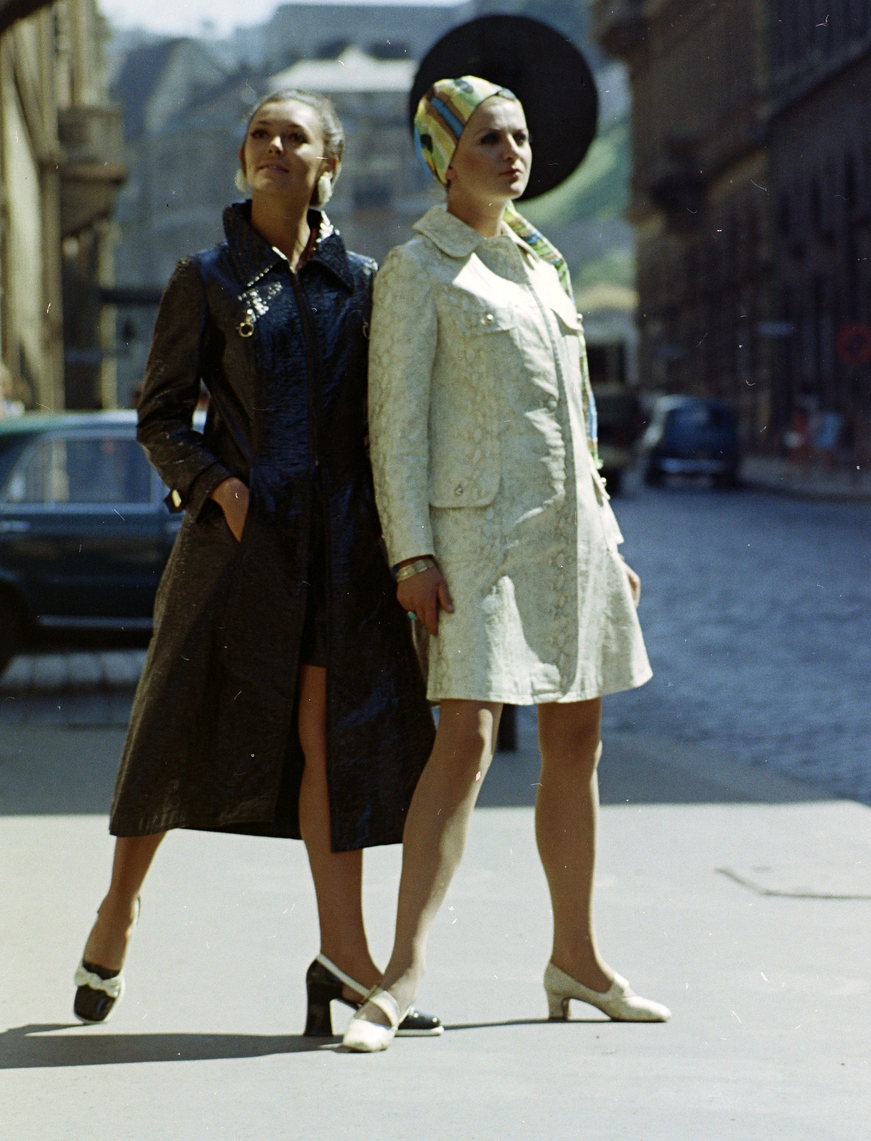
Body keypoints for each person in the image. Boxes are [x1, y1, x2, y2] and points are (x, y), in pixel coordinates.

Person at [73, 91, 435, 1037]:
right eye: (260, 136)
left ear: (330, 165)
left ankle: (342, 957)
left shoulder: (363, 281)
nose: (273, 148)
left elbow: (382, 422)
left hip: (339, 555)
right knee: (171, 729)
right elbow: (159, 416)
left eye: (294, 138)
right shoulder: (206, 277)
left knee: (333, 742)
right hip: (235, 553)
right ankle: (118, 910)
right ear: (244, 159)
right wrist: (213, 486)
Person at [344, 74, 666, 1052]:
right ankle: (398, 975)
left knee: (577, 742)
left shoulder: (545, 267)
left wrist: (608, 539)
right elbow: (392, 427)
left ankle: (576, 955)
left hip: (569, 540)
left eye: (519, 138)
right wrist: (410, 552)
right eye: (489, 139)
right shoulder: (417, 268)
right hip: (472, 540)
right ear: (445, 156)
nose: (512, 154)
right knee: (468, 741)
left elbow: (580, 426)